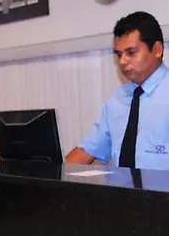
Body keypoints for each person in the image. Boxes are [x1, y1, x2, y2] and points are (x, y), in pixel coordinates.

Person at [66, 11, 169, 170]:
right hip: (121, 186)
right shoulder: (119, 99)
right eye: (119, 54)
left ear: (157, 50)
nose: (122, 61)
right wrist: (47, 176)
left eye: (131, 52)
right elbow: (87, 151)